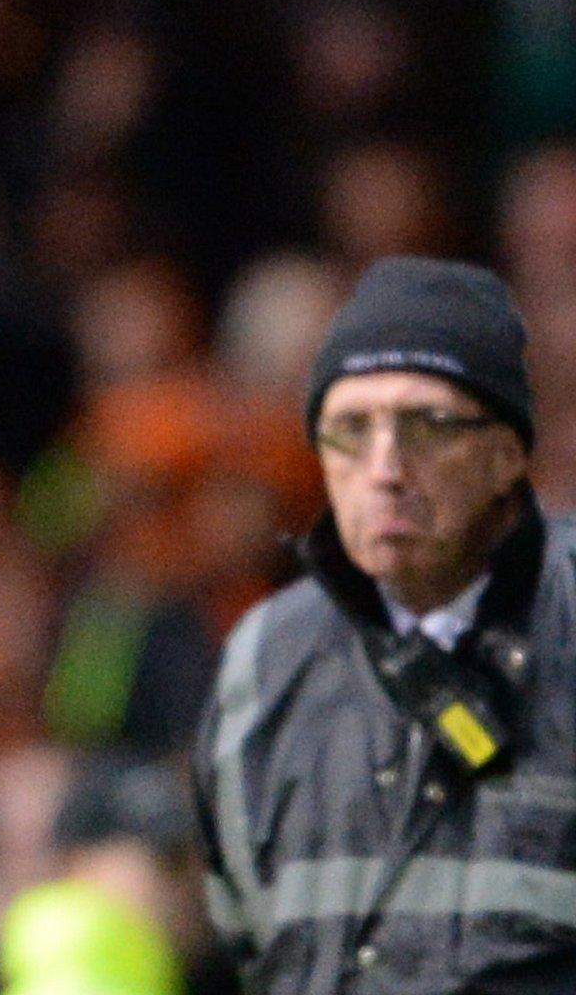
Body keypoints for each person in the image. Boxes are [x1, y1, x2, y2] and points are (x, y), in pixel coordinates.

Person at [194, 256, 576, 991]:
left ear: (507, 456)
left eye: (428, 426)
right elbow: (247, 939)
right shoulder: (259, 662)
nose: (385, 466)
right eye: (349, 429)